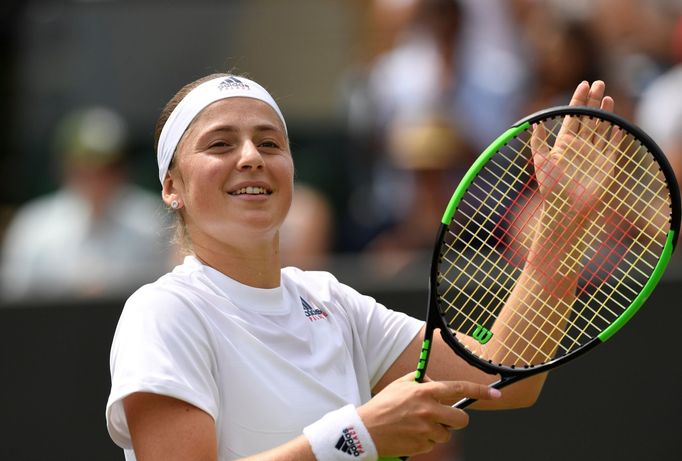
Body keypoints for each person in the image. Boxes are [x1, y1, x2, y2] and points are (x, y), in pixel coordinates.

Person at [105, 74, 615, 460]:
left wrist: (563, 223)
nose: (251, 157)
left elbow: (508, 375)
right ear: (172, 186)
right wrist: (356, 435)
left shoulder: (329, 301)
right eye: (220, 144)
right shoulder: (163, 312)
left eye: (270, 143)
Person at [1, 106, 172, 301]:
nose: (95, 179)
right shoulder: (34, 225)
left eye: (106, 168)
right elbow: (13, 297)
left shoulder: (155, 221)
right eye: (84, 167)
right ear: (65, 168)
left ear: (124, 169)